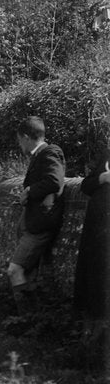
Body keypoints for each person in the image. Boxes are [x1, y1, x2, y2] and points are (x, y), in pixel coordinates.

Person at [7, 116, 66, 315]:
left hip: (40, 226)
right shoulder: (39, 155)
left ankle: (25, 318)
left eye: (19, 140)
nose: (19, 144)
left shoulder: (50, 152)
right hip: (33, 223)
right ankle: (33, 319)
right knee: (27, 273)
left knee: (14, 270)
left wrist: (29, 191)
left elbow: (54, 181)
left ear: (25, 137)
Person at [73, 146, 110, 344]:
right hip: (96, 232)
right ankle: (90, 339)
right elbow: (85, 186)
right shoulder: (106, 155)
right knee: (93, 282)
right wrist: (102, 179)